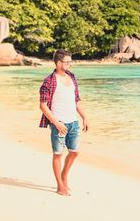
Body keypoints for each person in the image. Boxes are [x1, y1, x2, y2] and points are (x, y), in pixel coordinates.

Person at [39, 49, 89, 196]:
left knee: (74, 152)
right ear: (59, 63)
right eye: (67, 62)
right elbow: (42, 106)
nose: (70, 65)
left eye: (70, 62)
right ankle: (60, 186)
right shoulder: (49, 81)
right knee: (57, 154)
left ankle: (64, 175)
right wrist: (56, 123)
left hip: (73, 122)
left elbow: (77, 100)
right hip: (58, 123)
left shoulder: (72, 77)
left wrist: (85, 117)